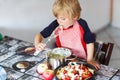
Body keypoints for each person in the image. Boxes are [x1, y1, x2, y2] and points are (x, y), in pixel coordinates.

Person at [34, 0, 100, 69]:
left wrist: (90, 60)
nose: (59, 21)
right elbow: (39, 35)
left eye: (63, 19)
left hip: (81, 60)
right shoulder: (56, 24)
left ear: (75, 16)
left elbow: (89, 42)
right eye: (57, 17)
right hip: (63, 59)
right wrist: (37, 44)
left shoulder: (82, 24)